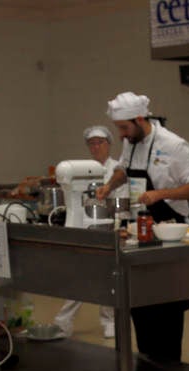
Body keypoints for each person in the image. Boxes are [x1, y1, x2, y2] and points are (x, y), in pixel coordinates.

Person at [97, 92, 189, 364]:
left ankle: (170, 368)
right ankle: (147, 367)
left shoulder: (174, 145)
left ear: (138, 119)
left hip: (172, 235)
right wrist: (109, 186)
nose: (121, 135)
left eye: (124, 128)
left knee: (167, 308)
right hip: (142, 231)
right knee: (140, 305)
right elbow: (123, 169)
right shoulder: (132, 143)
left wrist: (161, 194)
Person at [53, 125, 127, 339]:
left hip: (109, 227)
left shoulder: (118, 170)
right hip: (84, 229)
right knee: (80, 276)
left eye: (100, 142)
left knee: (108, 277)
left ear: (109, 145)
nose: (95, 147)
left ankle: (109, 320)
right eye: (91, 143)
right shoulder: (80, 169)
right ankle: (63, 321)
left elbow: (121, 200)